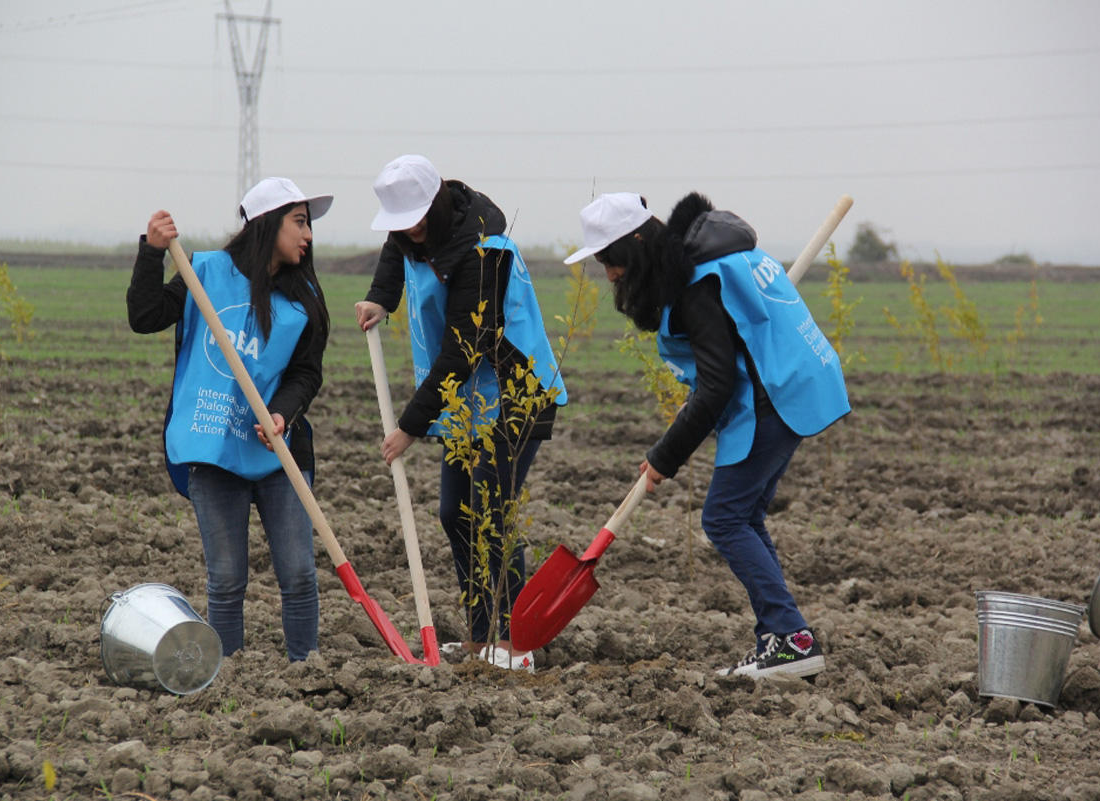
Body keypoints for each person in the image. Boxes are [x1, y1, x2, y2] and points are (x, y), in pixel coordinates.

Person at [564, 191, 850, 679]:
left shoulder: (698, 280)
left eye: (609, 260)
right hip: (794, 379)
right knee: (744, 516)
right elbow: (726, 355)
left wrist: (664, 456)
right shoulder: (707, 257)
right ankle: (782, 638)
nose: (608, 274)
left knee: (724, 517)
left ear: (632, 246)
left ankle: (790, 638)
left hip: (775, 391)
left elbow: (718, 386)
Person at [355, 155, 567, 672]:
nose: (410, 231)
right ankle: (480, 637)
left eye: (417, 220)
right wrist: (381, 298)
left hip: (515, 391)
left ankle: (518, 643)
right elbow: (395, 248)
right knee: (456, 513)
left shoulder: (483, 251)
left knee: (491, 513)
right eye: (401, 223)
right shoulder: (409, 232)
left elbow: (463, 349)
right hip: (465, 400)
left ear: (438, 202)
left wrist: (409, 425)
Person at [126, 176, 333, 662]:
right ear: (266, 225)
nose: (308, 235)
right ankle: (227, 677)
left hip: (277, 451)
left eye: (309, 224)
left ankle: (308, 670)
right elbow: (145, 315)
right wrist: (151, 252)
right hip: (213, 445)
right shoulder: (204, 273)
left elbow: (306, 373)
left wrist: (282, 413)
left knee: (300, 574)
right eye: (299, 222)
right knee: (225, 579)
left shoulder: (304, 298)